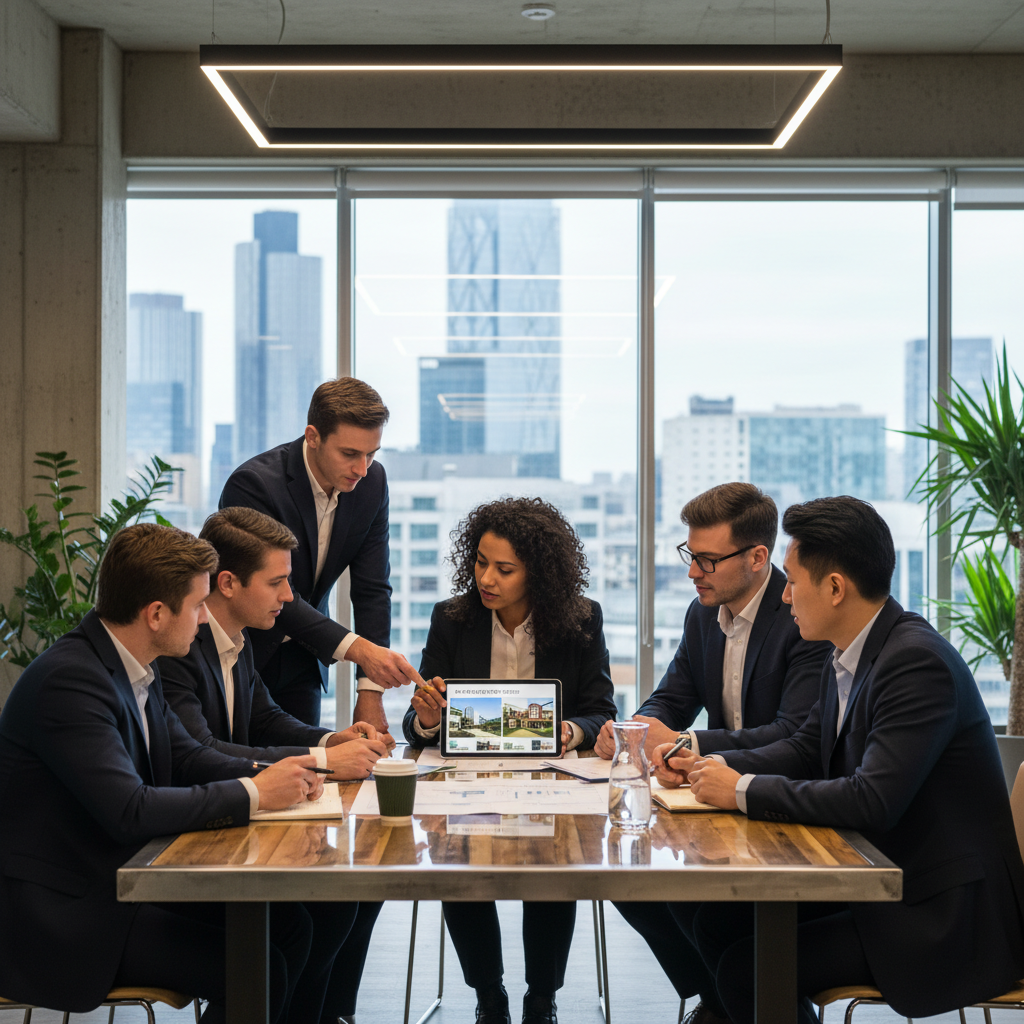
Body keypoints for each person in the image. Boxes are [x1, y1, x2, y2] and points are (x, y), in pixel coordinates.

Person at [656, 496, 1024, 1024]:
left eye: (793, 581)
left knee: (745, 970)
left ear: (834, 588)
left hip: (934, 908)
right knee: (718, 921)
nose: (783, 597)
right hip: (881, 874)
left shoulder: (916, 662)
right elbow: (807, 747)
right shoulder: (852, 649)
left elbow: (872, 800)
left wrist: (739, 789)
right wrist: (702, 764)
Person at [0, 524, 335, 1023]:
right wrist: (255, 793)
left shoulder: (134, 663)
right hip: (68, 912)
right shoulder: (71, 681)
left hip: (121, 879)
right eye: (198, 605)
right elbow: (130, 810)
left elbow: (188, 757)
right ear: (156, 614)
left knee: (287, 926)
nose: (204, 620)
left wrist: (286, 774)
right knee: (257, 965)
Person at [594, 483, 831, 1023]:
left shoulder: (803, 616)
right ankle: (723, 1000)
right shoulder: (704, 614)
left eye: (706, 560)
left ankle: (754, 1005)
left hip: (786, 805)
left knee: (702, 908)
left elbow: (794, 734)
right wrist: (632, 730)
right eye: (690, 556)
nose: (692, 572)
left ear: (756, 558)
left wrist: (685, 743)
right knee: (630, 884)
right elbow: (674, 696)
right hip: (721, 800)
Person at [158, 506, 390, 1024]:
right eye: (279, 582)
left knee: (343, 901)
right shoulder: (177, 647)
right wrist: (327, 758)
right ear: (228, 583)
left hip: (231, 825)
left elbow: (266, 718)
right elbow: (201, 754)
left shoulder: (238, 639)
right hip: (188, 840)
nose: (290, 597)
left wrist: (335, 736)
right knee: (309, 917)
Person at [402, 497, 617, 1024]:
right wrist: (428, 719)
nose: (486, 579)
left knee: (555, 862)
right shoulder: (451, 620)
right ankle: (487, 995)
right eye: (480, 562)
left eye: (503, 569)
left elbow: (601, 711)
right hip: (465, 784)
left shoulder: (581, 619)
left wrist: (569, 730)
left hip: (552, 780)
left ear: (538, 574)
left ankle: (541, 997)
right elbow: (415, 727)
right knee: (458, 861)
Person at [220, 376, 423, 735]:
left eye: (371, 454)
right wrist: (359, 649)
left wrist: (370, 691)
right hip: (243, 654)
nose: (362, 468)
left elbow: (373, 589)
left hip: (305, 657)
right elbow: (276, 593)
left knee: (310, 769)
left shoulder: (372, 484)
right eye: (349, 454)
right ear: (313, 437)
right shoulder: (254, 485)